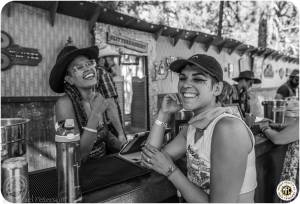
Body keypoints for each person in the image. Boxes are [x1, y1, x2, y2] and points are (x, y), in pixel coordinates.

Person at [141, 54, 257, 202]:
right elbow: (151, 159)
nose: (186, 85)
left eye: (198, 79)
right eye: (182, 78)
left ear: (217, 89)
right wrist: (163, 114)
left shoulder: (228, 128)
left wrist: (171, 171)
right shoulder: (194, 126)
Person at [49, 45, 124, 161]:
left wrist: (125, 147)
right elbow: (72, 156)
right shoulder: (63, 105)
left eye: (89, 64)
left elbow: (104, 134)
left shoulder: (96, 97)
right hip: (80, 174)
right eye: (79, 67)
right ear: (70, 79)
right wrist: (95, 114)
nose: (87, 69)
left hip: (103, 167)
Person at [96, 45, 127, 144]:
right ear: (101, 60)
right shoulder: (103, 74)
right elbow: (110, 106)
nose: (113, 62)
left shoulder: (95, 73)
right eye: (110, 58)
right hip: (110, 127)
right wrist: (121, 133)